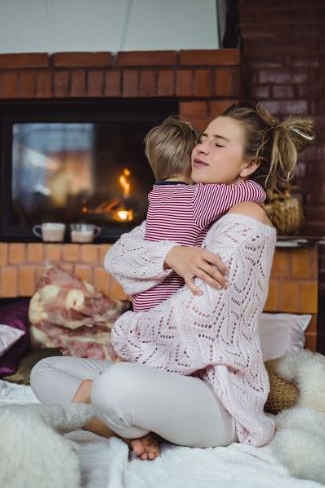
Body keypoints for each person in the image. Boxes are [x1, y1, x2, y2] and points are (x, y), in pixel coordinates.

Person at [30, 102, 314, 462]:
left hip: (214, 397)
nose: (202, 148)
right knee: (47, 370)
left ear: (248, 165)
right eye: (204, 138)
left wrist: (126, 332)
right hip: (162, 377)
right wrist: (171, 254)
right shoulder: (183, 204)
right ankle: (125, 424)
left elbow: (197, 318)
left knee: (115, 385)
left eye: (219, 143)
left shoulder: (245, 220)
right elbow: (119, 255)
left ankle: (113, 413)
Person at [133, 116, 266, 312]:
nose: (204, 150)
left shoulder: (156, 196)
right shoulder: (198, 197)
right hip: (168, 304)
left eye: (217, 144)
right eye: (202, 144)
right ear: (192, 163)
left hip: (143, 301)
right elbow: (256, 192)